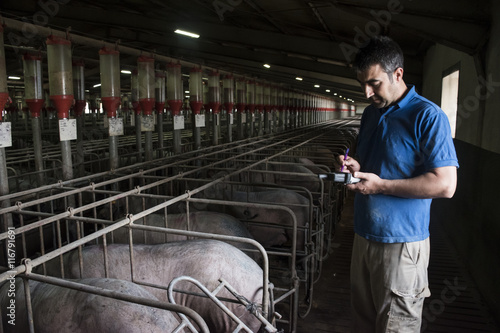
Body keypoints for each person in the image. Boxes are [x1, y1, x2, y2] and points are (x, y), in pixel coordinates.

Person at [339, 36, 459, 332]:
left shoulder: (427, 116)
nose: (367, 92)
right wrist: (356, 169)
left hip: (402, 243)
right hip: (364, 235)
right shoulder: (370, 114)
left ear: (398, 74)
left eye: (374, 83)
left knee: (396, 325)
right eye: (362, 84)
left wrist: (380, 186)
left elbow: (445, 184)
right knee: (363, 321)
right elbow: (374, 169)